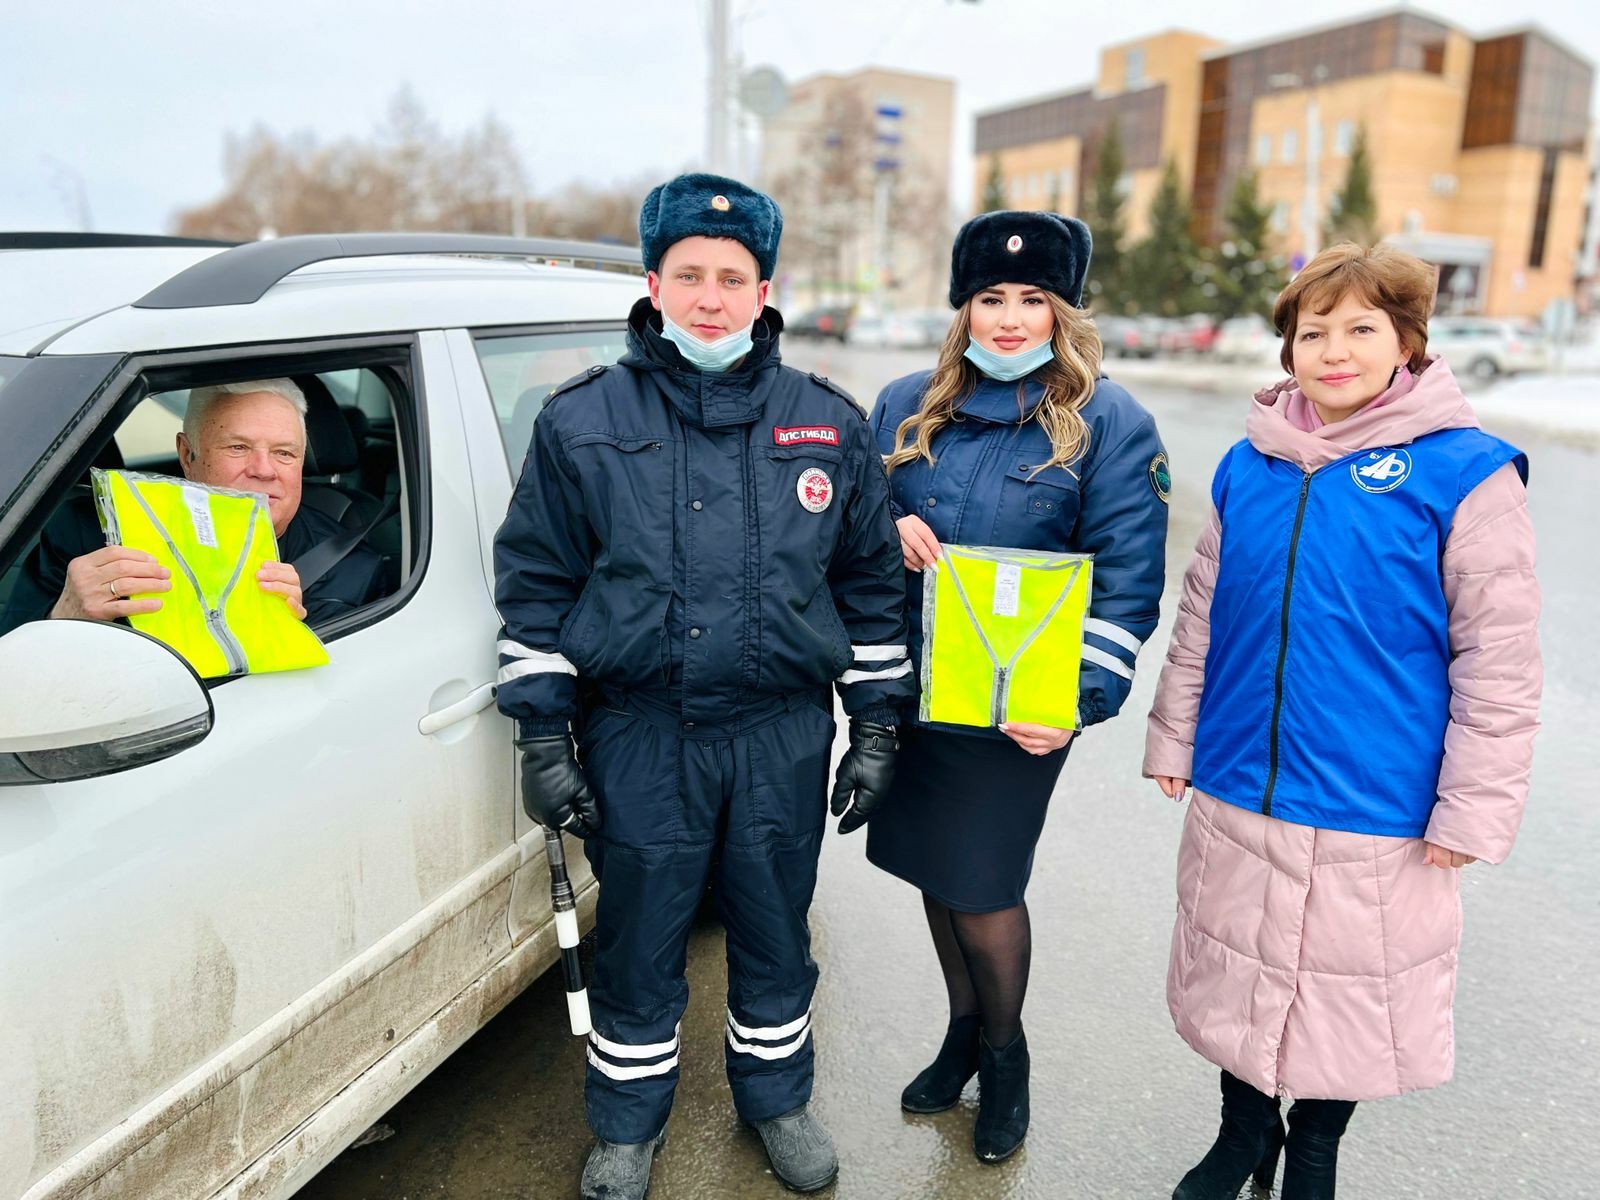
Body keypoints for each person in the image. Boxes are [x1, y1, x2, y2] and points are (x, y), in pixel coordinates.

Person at [492, 173, 914, 1200]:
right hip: (641, 731)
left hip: (777, 731)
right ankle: (628, 1126)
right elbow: (538, 583)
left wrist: (875, 728)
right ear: (653, 280)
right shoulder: (581, 421)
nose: (711, 297)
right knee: (640, 937)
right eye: (690, 275)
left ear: (765, 290)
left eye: (733, 277)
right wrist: (542, 738)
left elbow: (867, 585)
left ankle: (776, 1101)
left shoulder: (826, 422)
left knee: (775, 926)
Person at [1144, 242, 1542, 1199]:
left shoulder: (1467, 475)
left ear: (1406, 343)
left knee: (1347, 996)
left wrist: (1471, 812)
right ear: (1287, 350)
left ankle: (1313, 1148)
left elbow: (1503, 662)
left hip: (1379, 798)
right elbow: (1202, 612)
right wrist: (1175, 733)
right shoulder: (1251, 466)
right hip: (1242, 776)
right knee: (1238, 972)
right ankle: (1244, 1136)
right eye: (1312, 331)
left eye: (1362, 328)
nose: (1334, 351)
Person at [863, 211, 1169, 1163]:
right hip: (917, 690)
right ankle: (962, 1030)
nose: (1007, 318)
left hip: (1018, 702)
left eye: (1031, 298)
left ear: (1062, 310)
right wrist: (887, 530)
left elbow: (1127, 573)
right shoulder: (907, 403)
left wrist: (1080, 698)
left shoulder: (1108, 420)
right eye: (990, 298)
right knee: (936, 870)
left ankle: (1005, 1056)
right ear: (964, 306)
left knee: (985, 882)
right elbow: (842, 521)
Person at [1, 379, 383, 634]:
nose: (263, 471)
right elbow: (13, 668)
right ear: (187, 454)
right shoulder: (88, 534)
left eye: (284, 453)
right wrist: (65, 616)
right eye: (238, 447)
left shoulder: (351, 570)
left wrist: (297, 632)